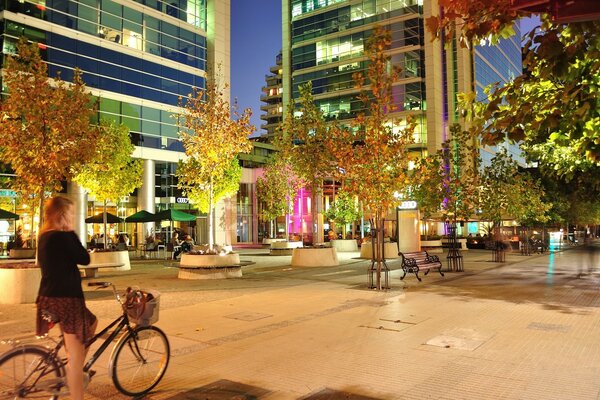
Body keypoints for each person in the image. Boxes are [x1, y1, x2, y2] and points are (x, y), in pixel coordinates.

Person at [36, 196, 97, 400]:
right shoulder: (63, 237)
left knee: (92, 321)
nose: (72, 217)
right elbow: (85, 258)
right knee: (76, 361)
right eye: (70, 213)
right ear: (62, 215)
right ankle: (75, 372)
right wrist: (70, 231)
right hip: (67, 301)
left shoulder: (44, 236)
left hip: (47, 298)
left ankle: (74, 362)